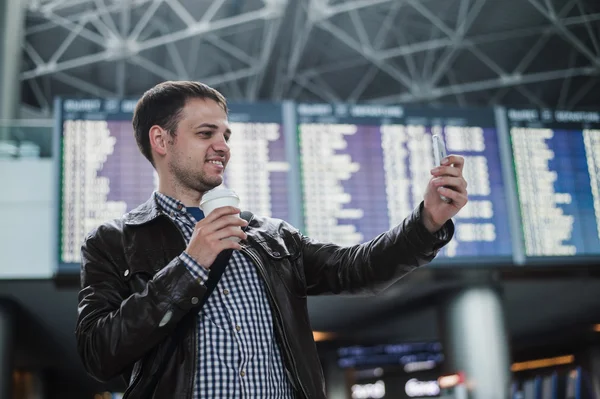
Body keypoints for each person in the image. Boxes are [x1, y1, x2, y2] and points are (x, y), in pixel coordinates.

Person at [75, 80, 468, 399]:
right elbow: (98, 353)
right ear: (161, 141)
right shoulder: (112, 242)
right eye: (205, 133)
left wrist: (428, 221)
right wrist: (190, 264)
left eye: (226, 134)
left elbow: (356, 268)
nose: (223, 146)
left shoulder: (270, 236)